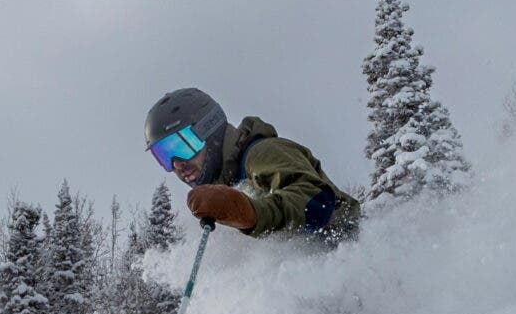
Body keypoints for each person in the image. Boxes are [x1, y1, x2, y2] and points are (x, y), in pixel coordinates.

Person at [144, 87, 360, 240]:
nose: (177, 163)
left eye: (181, 146)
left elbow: (316, 203)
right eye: (164, 156)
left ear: (209, 129)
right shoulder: (225, 192)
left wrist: (250, 214)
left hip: (348, 268)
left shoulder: (263, 153)